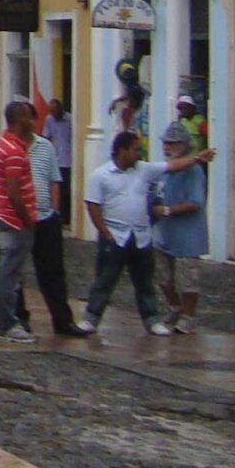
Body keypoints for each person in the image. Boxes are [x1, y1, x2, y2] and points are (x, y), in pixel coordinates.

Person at [75, 132, 171, 336]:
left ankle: (152, 319)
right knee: (105, 280)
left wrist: (197, 159)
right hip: (115, 236)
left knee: (144, 281)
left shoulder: (143, 170)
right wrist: (104, 232)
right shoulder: (100, 175)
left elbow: (170, 167)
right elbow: (93, 205)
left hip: (140, 236)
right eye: (136, 149)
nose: (139, 154)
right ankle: (91, 318)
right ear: (122, 150)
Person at [0, 99, 39, 345]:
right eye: (29, 117)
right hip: (14, 221)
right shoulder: (15, 151)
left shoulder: (1, 144)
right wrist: (27, 219)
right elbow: (14, 190)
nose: (33, 121)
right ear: (20, 121)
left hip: (2, 217)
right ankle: (8, 324)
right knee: (9, 274)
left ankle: (0, 321)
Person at [26, 99, 80, 337]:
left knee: (54, 272)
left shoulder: (45, 148)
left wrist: (56, 212)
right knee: (14, 272)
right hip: (18, 220)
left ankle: (62, 319)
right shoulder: (5, 148)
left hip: (46, 218)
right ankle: (18, 319)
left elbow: (54, 180)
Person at [151, 121, 208, 332]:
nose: (167, 147)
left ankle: (188, 316)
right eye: (165, 143)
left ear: (184, 145)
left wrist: (167, 210)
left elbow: (195, 202)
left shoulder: (193, 171)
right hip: (165, 232)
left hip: (188, 233)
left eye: (172, 143)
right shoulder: (165, 169)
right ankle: (175, 307)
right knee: (163, 276)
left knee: (188, 279)